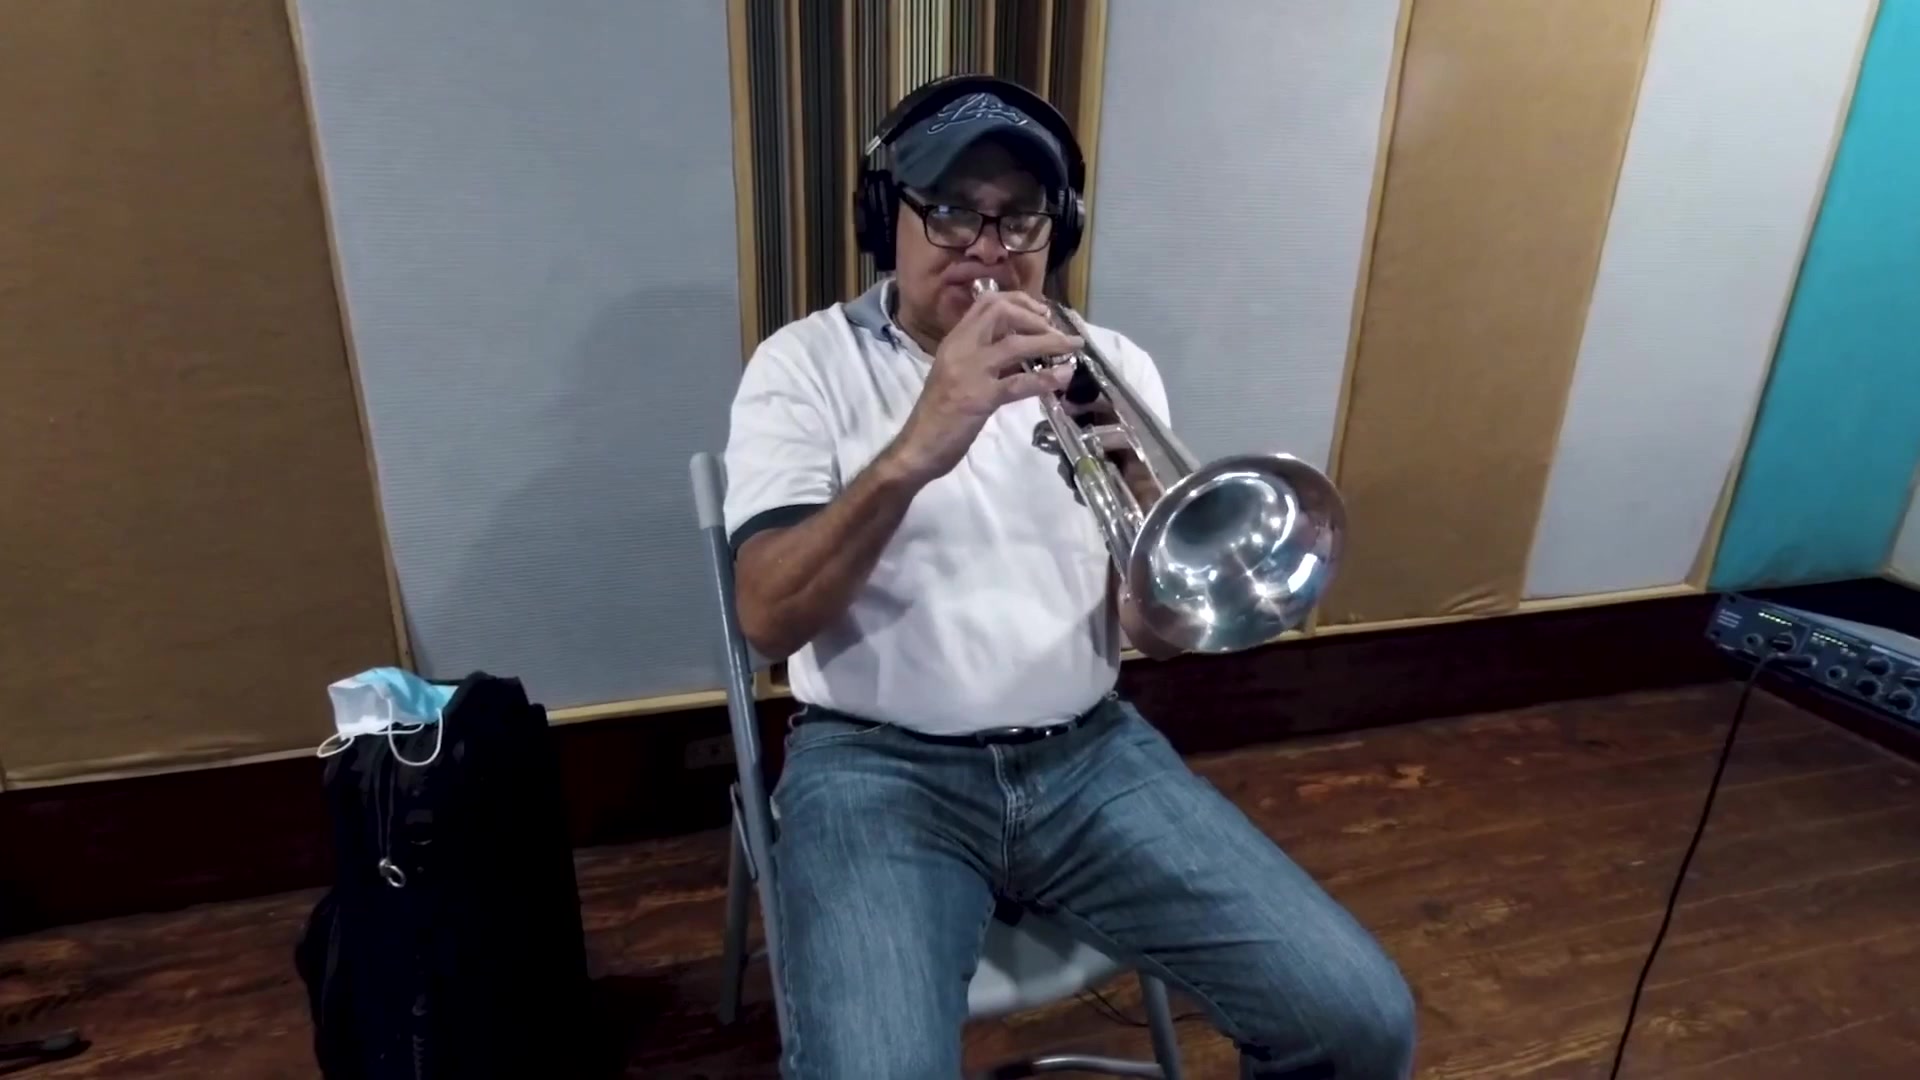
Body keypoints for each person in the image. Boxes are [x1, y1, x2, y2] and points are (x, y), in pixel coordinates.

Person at [721, 75, 1416, 1079]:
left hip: (1091, 757)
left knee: (1359, 1020)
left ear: (1060, 231)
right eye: (952, 211)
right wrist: (922, 442)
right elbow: (767, 616)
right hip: (878, 772)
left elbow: (1155, 636)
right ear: (886, 220)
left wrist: (1155, 538)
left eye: (1020, 219)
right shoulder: (803, 365)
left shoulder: (1108, 360)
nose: (988, 248)